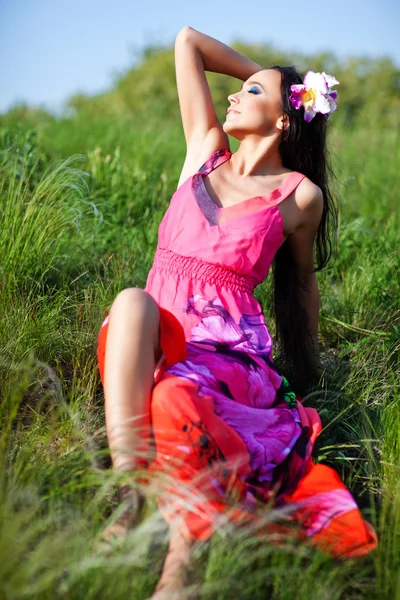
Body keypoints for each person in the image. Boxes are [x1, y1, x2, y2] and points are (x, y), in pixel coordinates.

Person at [96, 26, 377, 598]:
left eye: (249, 93)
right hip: (157, 333)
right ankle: (129, 499)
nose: (232, 96)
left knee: (177, 399)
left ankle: (181, 563)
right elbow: (187, 43)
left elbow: (300, 284)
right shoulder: (203, 148)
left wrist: (310, 366)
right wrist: (277, 82)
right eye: (240, 87)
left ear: (281, 124)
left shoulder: (299, 195)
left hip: (225, 354)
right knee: (129, 304)